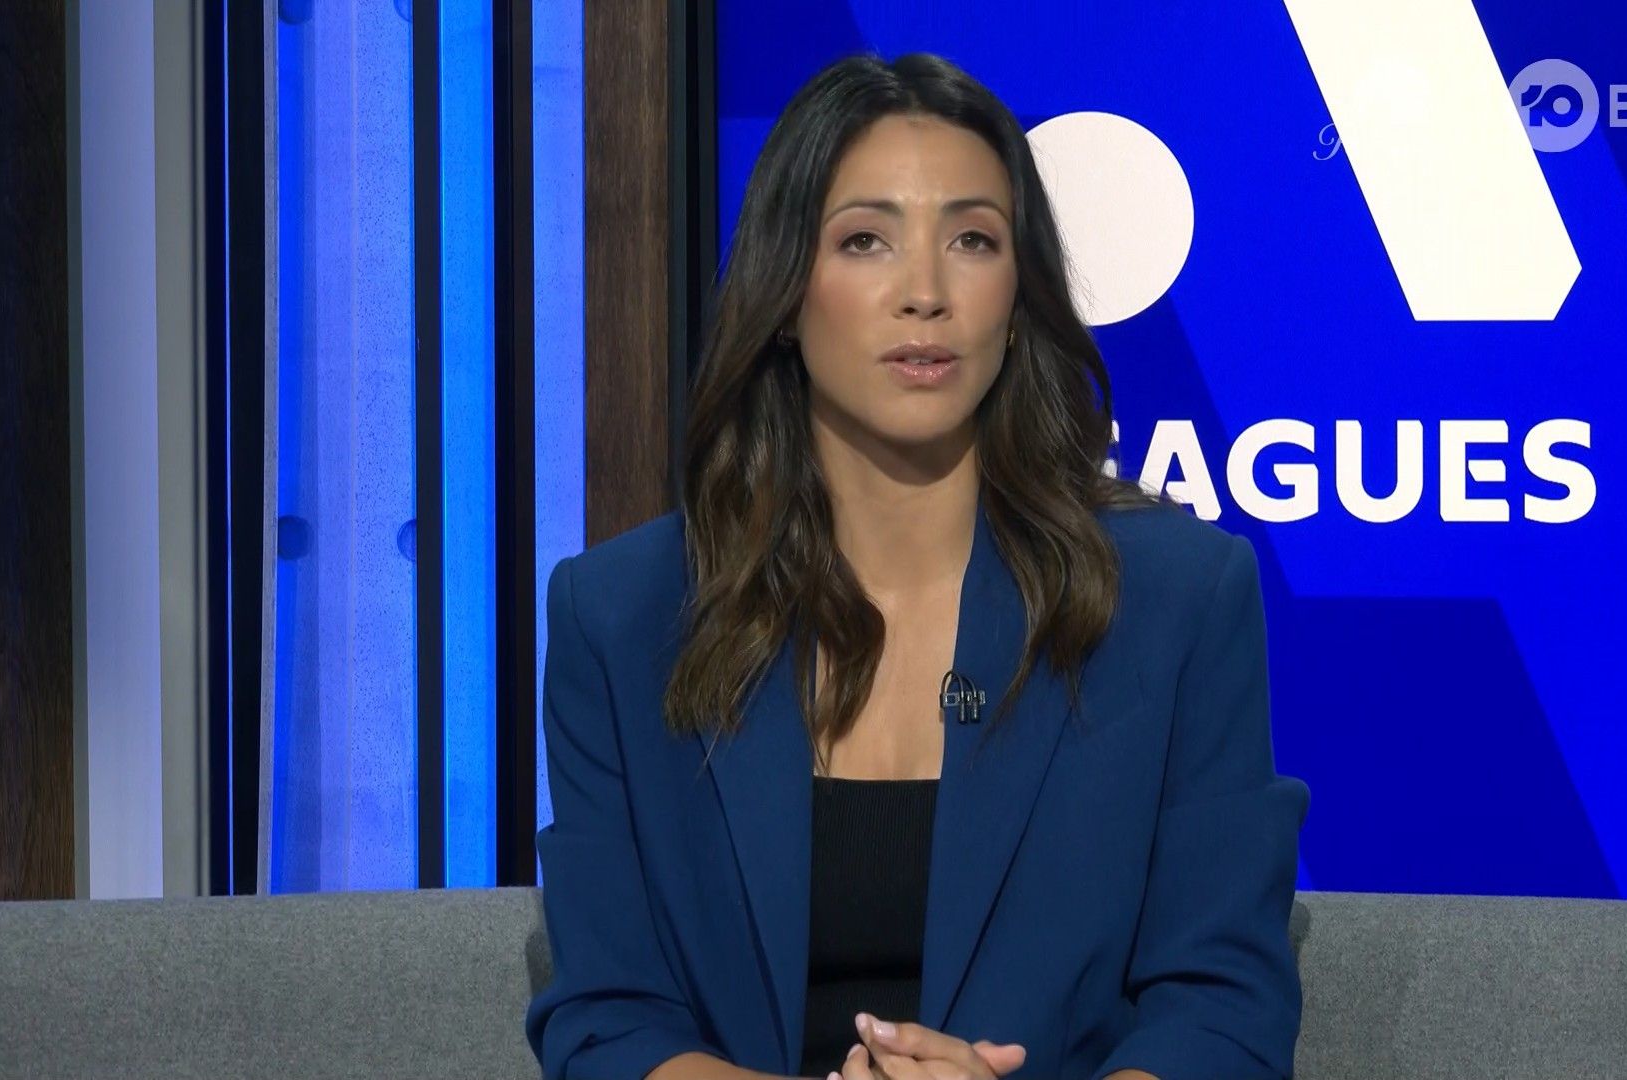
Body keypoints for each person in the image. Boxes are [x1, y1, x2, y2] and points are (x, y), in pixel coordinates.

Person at [524, 51, 1308, 1080]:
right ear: (785, 292)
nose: (926, 294)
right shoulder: (623, 615)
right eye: (866, 240)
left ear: (1016, 297)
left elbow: (1223, 1009)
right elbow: (608, 1019)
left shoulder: (1175, 600)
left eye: (973, 240)